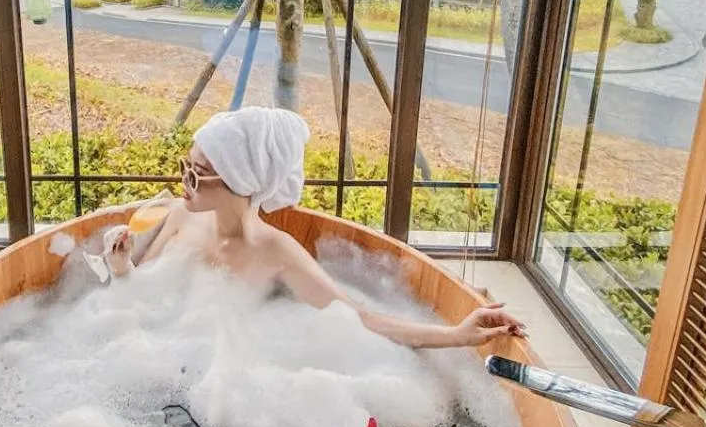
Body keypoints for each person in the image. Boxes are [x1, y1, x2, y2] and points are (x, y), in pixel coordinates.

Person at [103, 106, 526, 352]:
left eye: (199, 174)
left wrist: (455, 335)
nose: (184, 182)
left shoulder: (274, 251)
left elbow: (357, 319)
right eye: (186, 168)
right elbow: (137, 294)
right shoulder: (180, 214)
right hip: (151, 350)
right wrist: (121, 266)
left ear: (241, 180)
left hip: (220, 368)